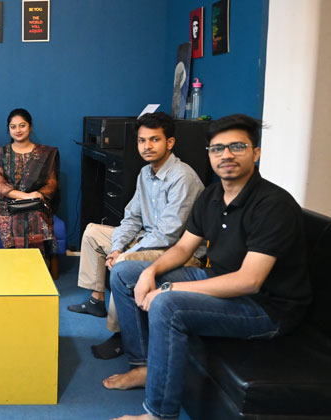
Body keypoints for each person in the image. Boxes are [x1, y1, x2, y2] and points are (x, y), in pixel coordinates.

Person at [104, 114, 312, 420]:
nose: (226, 155)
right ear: (210, 155)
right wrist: (150, 271)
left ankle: (159, 414)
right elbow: (183, 248)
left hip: (265, 307)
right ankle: (143, 366)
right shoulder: (212, 195)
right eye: (217, 148)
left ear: (256, 152)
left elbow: (250, 281)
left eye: (237, 146)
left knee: (167, 305)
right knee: (125, 273)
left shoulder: (273, 205)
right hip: (218, 279)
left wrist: (168, 288)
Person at [67, 112, 204, 360]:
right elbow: (131, 218)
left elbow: (168, 234)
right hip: (148, 240)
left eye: (154, 139)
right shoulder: (145, 173)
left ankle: (120, 334)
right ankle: (96, 300)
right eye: (142, 140)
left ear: (170, 142)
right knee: (93, 232)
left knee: (123, 264)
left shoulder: (182, 177)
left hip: (178, 251)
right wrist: (117, 247)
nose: (147, 146)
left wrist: (124, 254)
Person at [0, 108, 59, 255]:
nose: (18, 130)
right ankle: (17, 263)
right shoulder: (0, 153)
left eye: (22, 125)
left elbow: (51, 184)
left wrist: (35, 196)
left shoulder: (46, 153)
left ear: (30, 126)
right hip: (8, 203)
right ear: (9, 129)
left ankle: (38, 263)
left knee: (34, 214)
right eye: (13, 127)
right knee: (15, 216)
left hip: (37, 201)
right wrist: (25, 196)